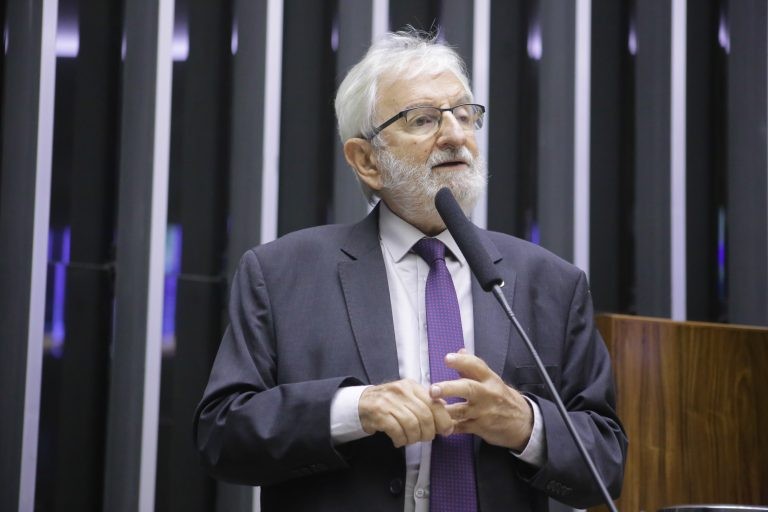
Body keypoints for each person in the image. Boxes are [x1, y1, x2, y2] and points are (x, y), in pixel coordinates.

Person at [194, 29, 627, 512]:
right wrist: (354, 409)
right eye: (423, 119)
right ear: (366, 161)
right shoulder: (281, 275)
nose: (456, 135)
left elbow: (607, 465)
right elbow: (221, 436)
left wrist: (525, 423)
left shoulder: (552, 284)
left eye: (465, 115)